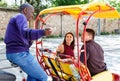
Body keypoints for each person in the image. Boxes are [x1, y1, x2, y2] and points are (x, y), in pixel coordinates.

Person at [4, 3, 52, 81]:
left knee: (33, 76)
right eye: (32, 12)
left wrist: (31, 39)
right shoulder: (21, 16)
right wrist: (43, 32)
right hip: (19, 54)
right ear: (25, 10)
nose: (33, 15)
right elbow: (25, 32)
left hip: (15, 53)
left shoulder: (17, 19)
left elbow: (24, 37)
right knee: (43, 77)